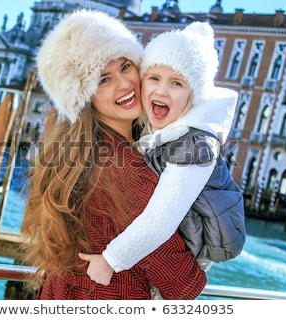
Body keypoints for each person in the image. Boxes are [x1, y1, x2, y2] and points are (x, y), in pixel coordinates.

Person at [21, 9, 207, 300]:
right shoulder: (126, 170)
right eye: (104, 79)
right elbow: (184, 285)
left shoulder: (72, 153)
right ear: (84, 97)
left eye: (125, 66)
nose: (124, 84)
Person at [79, 22, 246, 286]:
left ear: (193, 96)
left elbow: (161, 218)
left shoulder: (196, 147)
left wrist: (110, 260)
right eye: (154, 78)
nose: (161, 90)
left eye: (177, 83)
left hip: (193, 255)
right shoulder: (159, 130)